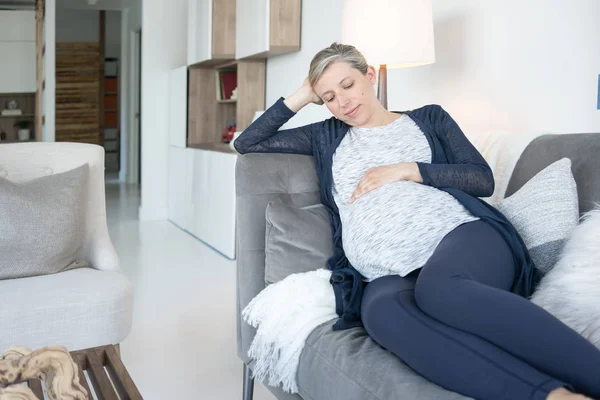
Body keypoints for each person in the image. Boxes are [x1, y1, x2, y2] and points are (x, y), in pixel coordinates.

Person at [234, 43, 600, 400]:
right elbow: (249, 142)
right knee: (381, 315)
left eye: (347, 85)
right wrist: (302, 94)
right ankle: (553, 396)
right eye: (329, 96)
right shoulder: (325, 135)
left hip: (461, 238)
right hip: (385, 272)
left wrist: (409, 170)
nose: (342, 102)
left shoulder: (429, 118)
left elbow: (481, 179)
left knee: (439, 290)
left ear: (370, 75)